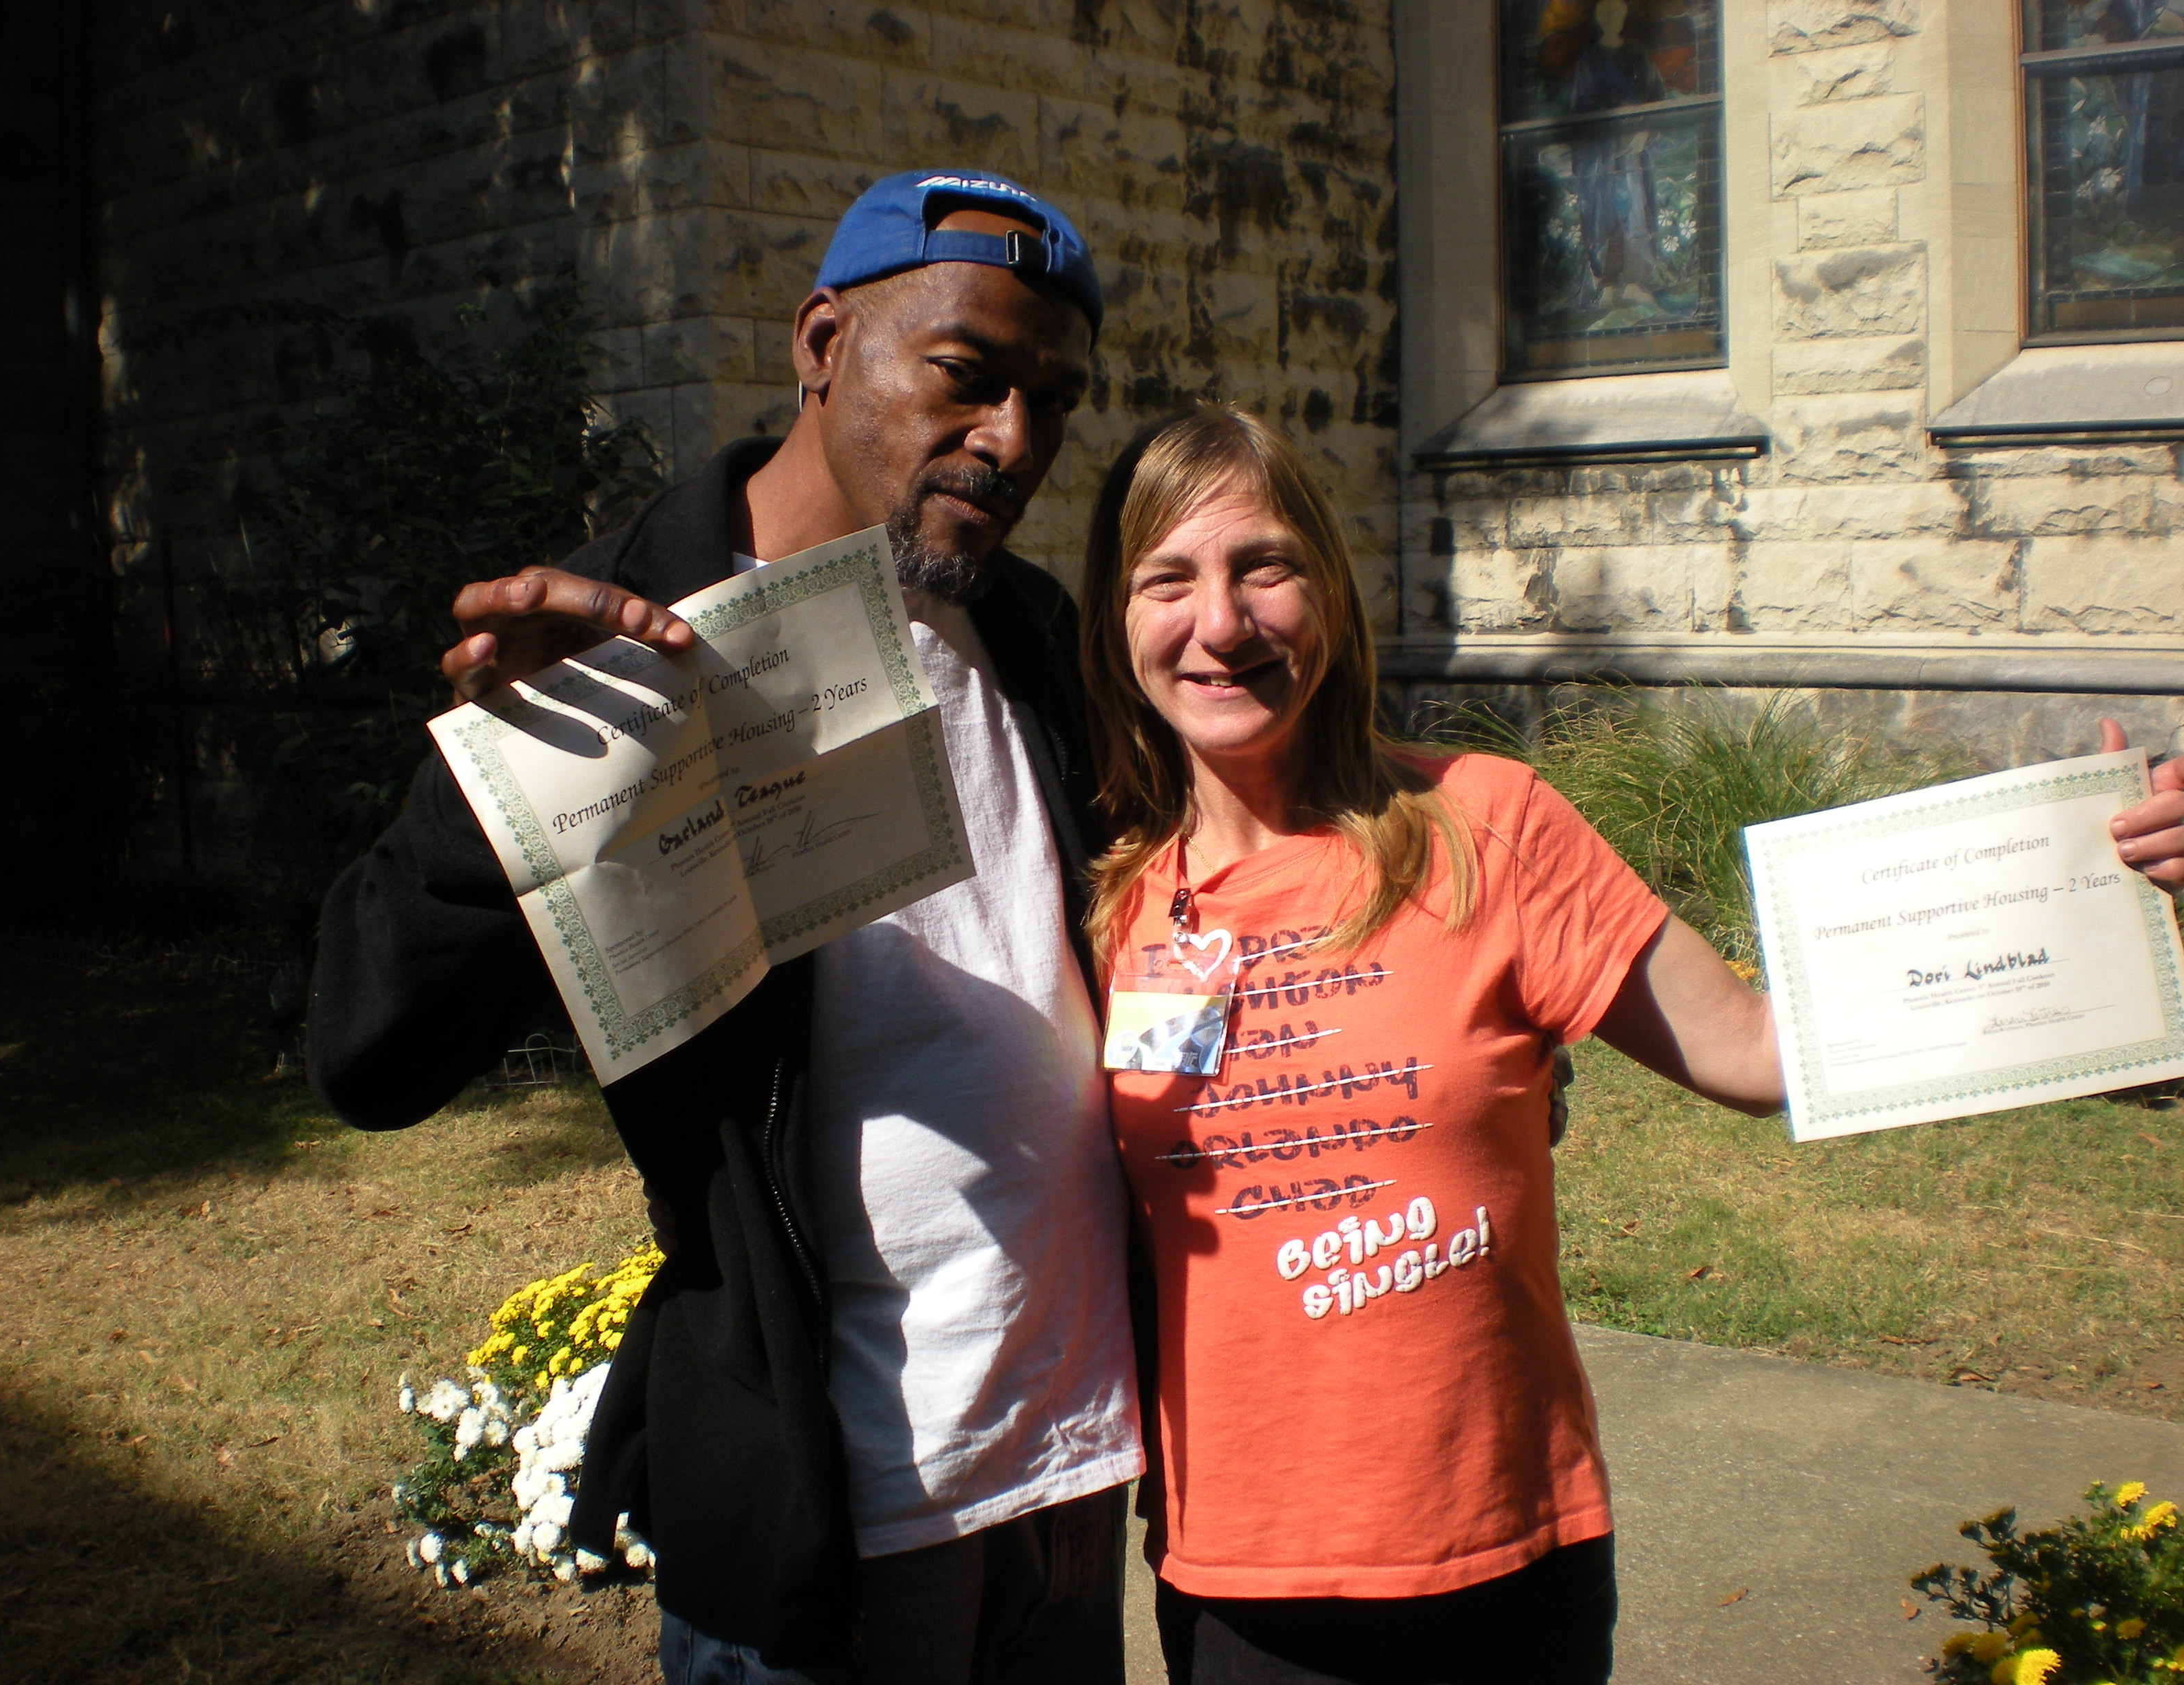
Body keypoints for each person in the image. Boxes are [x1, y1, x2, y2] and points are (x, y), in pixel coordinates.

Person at [1073, 404, 2184, 1685]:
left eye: (1263, 567)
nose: (1221, 622)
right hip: (1244, 1581)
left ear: (1327, 592)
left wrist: (2098, 898)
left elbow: (1765, 1051)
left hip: (1503, 1561)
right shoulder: (1107, 907)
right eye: (1171, 578)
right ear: (1121, 622)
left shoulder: (1487, 825)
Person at [308, 170, 1145, 1684]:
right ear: (823, 344)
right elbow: (366, 1054)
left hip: (1067, 1496)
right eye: (966, 375)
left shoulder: (1031, 638)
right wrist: (498, 786)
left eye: (1053, 401)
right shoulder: (623, 638)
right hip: (830, 1549)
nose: (1015, 441)